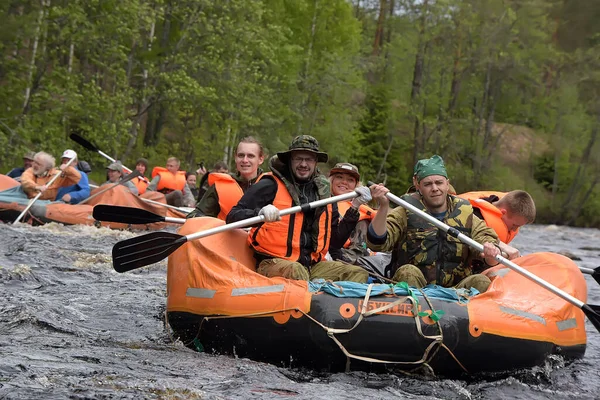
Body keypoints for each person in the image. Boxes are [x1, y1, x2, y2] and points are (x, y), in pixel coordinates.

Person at [227, 135, 371, 283]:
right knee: (296, 271)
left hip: (312, 265)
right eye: (298, 159)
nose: (303, 164)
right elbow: (233, 216)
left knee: (357, 273)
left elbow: (334, 242)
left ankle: (332, 304)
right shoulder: (270, 184)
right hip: (274, 262)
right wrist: (259, 213)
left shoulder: (324, 193)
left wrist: (354, 208)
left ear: (315, 162)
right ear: (290, 160)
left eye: (308, 159)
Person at [367, 155, 501, 293]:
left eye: (439, 182)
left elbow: (485, 237)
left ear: (447, 184)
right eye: (428, 184)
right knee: (408, 272)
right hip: (416, 287)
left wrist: (490, 249)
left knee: (481, 281)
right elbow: (377, 243)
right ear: (418, 185)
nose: (435, 188)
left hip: (455, 291)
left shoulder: (465, 214)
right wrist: (383, 207)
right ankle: (414, 310)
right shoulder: (405, 211)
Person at [188, 137, 265, 220]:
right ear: (235, 157)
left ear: (260, 159)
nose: (245, 160)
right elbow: (196, 214)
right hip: (226, 231)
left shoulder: (272, 186)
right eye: (241, 155)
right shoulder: (220, 186)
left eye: (250, 156)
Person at [458, 190, 535, 260]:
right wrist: (501, 245)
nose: (515, 230)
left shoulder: (495, 203)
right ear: (503, 212)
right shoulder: (474, 214)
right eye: (514, 225)